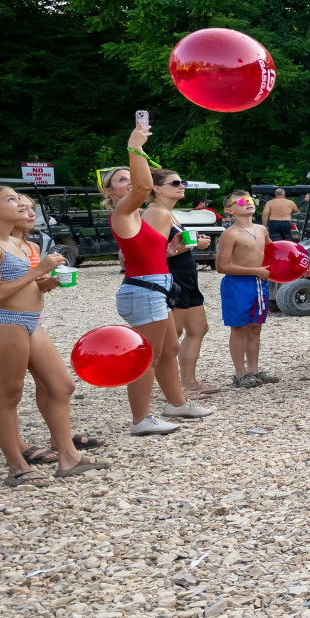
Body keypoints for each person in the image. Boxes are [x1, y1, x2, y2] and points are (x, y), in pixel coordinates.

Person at [0, 186, 103, 484]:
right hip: (4, 323)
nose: (19, 203)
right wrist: (38, 271)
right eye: (10, 199)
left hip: (30, 321)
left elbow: (14, 287)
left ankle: (69, 457)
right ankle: (17, 468)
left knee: (62, 386)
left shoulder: (18, 243)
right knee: (9, 395)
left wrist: (46, 283)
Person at [102, 125, 210, 434]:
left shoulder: (137, 216)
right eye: (121, 180)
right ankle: (141, 419)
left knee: (169, 349)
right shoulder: (123, 212)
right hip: (143, 290)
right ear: (110, 192)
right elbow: (142, 187)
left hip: (155, 287)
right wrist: (135, 147)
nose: (130, 182)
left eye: (130, 176)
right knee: (147, 356)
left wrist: (172, 249)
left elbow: (149, 253)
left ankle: (176, 403)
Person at [148, 173, 211, 399]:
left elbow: (171, 244)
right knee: (172, 335)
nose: (181, 186)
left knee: (198, 328)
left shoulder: (168, 212)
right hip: (173, 277)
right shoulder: (155, 212)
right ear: (157, 188)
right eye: (175, 183)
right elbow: (153, 253)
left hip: (186, 276)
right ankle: (172, 390)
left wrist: (193, 242)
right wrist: (191, 245)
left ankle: (189, 382)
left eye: (182, 182)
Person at [213, 191, 273, 386]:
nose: (247, 203)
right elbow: (221, 267)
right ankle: (240, 374)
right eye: (241, 201)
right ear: (229, 210)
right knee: (239, 328)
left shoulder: (262, 229)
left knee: (255, 327)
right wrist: (255, 270)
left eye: (250, 200)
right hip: (237, 285)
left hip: (259, 283)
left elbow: (275, 253)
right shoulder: (230, 234)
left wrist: (298, 267)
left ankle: (253, 370)